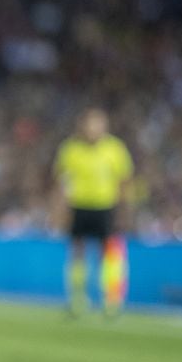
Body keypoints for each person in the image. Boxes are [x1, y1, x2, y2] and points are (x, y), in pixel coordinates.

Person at [53, 108, 134, 317]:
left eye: (97, 124)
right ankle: (77, 298)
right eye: (90, 124)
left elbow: (124, 181)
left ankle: (111, 299)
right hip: (79, 206)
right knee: (77, 251)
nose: (93, 129)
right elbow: (62, 182)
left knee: (109, 252)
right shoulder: (70, 149)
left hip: (106, 206)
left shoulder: (115, 149)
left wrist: (124, 210)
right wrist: (59, 210)